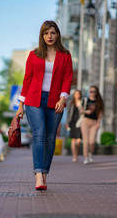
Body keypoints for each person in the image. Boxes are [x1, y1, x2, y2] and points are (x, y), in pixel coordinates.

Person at [16, 20, 73, 191]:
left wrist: (63, 98)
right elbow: (27, 80)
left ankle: (44, 172)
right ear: (42, 36)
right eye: (46, 33)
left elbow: (68, 78)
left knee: (50, 138)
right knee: (39, 134)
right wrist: (20, 105)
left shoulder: (65, 55)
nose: (50, 36)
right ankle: (39, 175)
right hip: (34, 100)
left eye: (53, 32)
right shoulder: (34, 55)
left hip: (55, 101)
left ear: (57, 35)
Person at [80, 85, 104, 164]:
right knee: (86, 141)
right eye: (91, 91)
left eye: (94, 91)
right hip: (85, 121)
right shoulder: (85, 100)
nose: (92, 93)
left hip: (94, 122)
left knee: (92, 141)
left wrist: (98, 123)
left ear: (96, 92)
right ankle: (86, 157)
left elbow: (100, 113)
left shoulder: (98, 101)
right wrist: (86, 111)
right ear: (89, 92)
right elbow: (81, 111)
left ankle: (91, 153)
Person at [65, 90, 83, 162]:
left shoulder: (82, 102)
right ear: (74, 95)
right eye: (76, 94)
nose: (77, 95)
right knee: (73, 139)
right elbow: (68, 113)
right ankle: (74, 156)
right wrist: (67, 123)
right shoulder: (71, 103)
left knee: (78, 140)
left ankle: (77, 153)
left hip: (80, 122)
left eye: (78, 94)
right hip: (72, 122)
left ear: (80, 95)